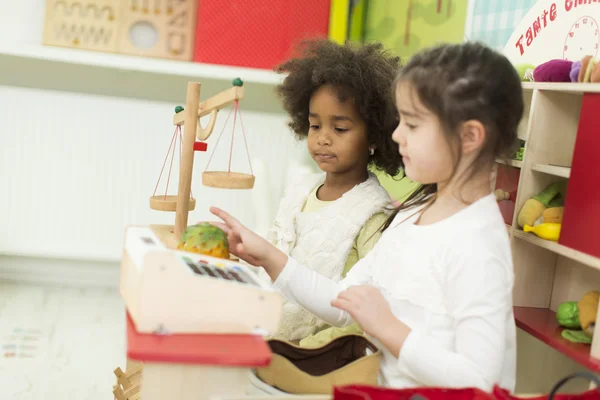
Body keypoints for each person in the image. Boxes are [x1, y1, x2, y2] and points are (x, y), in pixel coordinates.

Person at [210, 41, 523, 391]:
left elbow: (481, 382)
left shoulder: (478, 246)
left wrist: (388, 328)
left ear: (469, 137)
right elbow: (344, 300)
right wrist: (269, 257)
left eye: (413, 125)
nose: (396, 135)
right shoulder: (415, 214)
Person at [261, 38, 404, 346]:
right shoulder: (301, 190)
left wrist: (310, 350)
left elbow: (367, 308)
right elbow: (275, 253)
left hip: (318, 355)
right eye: (315, 126)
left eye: (339, 129)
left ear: (375, 136)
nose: (323, 138)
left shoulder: (373, 213)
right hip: (268, 334)